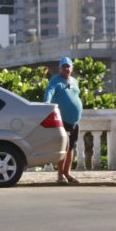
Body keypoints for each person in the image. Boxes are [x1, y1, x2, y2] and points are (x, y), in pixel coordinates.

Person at [44, 56, 83, 184]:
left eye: (68, 66)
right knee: (64, 148)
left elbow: (75, 96)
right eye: (64, 66)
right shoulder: (55, 81)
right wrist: (47, 103)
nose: (66, 68)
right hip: (63, 121)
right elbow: (49, 91)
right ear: (60, 68)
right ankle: (60, 175)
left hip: (74, 122)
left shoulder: (74, 81)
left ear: (72, 68)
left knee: (71, 148)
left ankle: (67, 173)